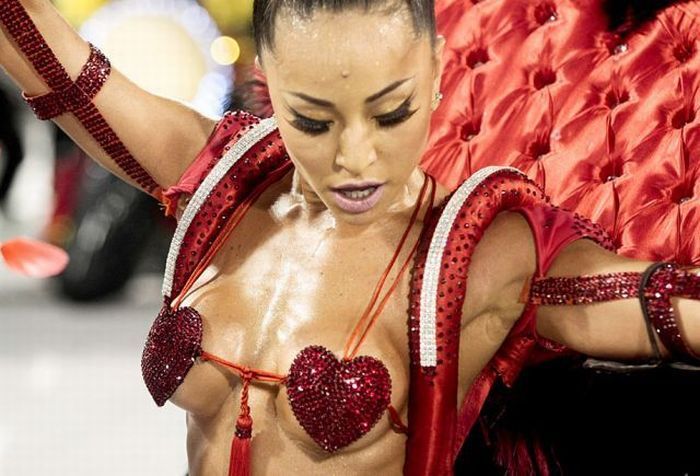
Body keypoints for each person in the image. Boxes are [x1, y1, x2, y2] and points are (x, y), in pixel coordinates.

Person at [1, 1, 699, 475]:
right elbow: (55, 65)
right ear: (269, 85)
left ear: (434, 72)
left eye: (390, 112)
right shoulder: (226, 180)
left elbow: (660, 305)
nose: (355, 158)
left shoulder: (480, 251)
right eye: (313, 119)